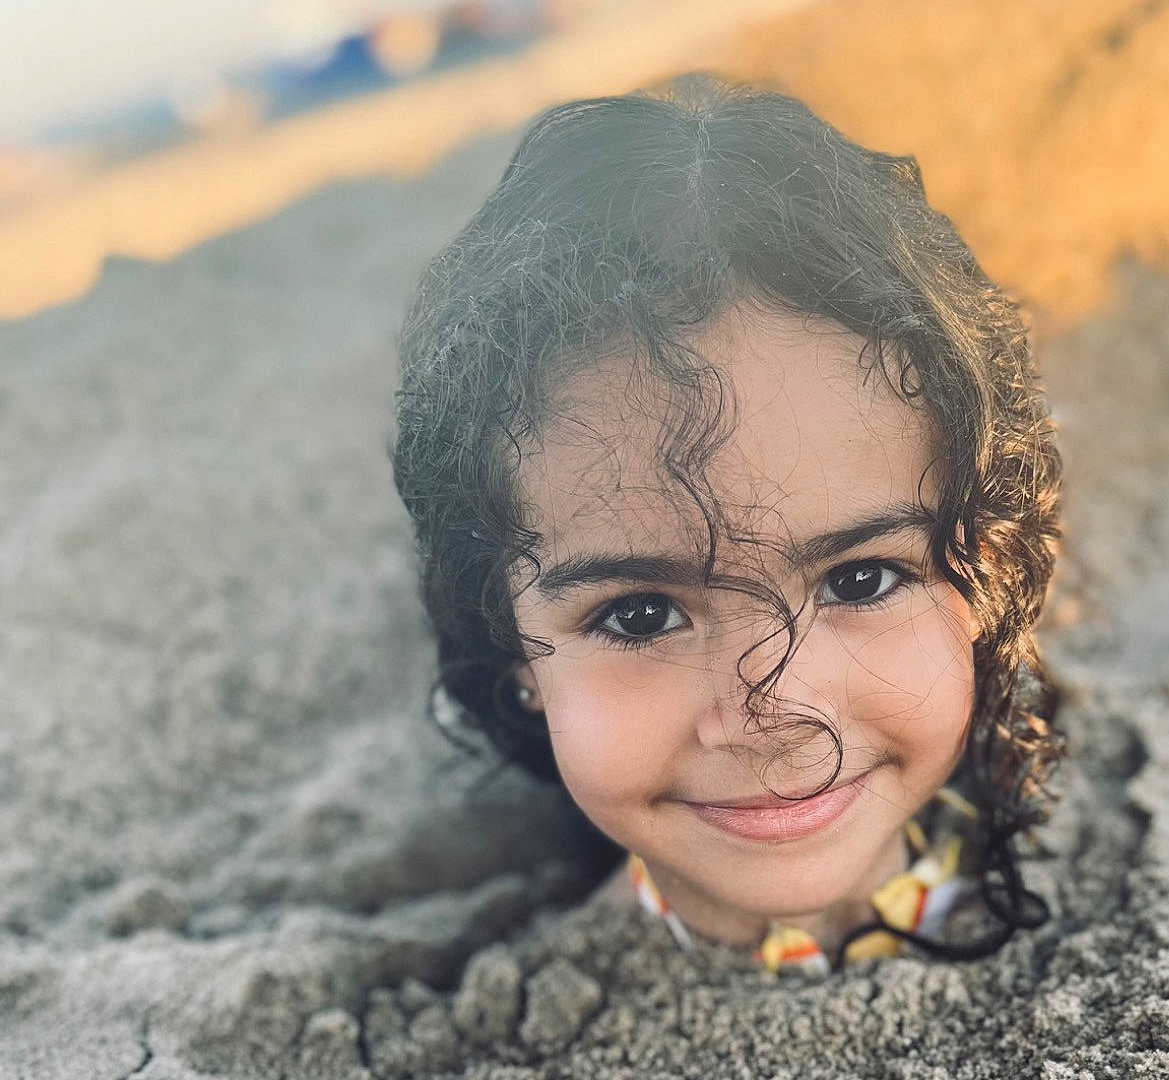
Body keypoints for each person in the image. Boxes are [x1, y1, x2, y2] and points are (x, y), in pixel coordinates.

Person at [392, 74, 1061, 976]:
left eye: (859, 578)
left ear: (983, 566)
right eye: (640, 615)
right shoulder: (513, 1005)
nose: (773, 714)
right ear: (510, 647)